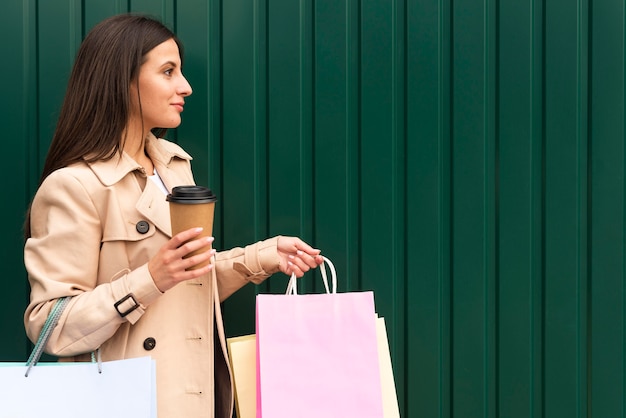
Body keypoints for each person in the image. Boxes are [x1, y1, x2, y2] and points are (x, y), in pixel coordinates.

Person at [23, 13, 323, 418]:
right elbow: (49, 325)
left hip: (194, 394)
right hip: (126, 402)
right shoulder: (74, 186)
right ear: (122, 80)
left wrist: (262, 258)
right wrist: (149, 279)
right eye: (168, 71)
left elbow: (185, 285)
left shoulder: (174, 168)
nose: (186, 86)